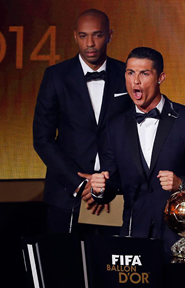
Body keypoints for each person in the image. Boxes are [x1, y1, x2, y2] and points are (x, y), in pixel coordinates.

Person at [90, 47, 185, 255]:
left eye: (144, 73)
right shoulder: (113, 127)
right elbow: (112, 183)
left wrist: (181, 184)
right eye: (130, 72)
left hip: (179, 240)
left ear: (161, 77)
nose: (136, 81)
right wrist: (99, 189)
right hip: (133, 239)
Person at [33, 9, 132, 234]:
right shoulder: (55, 76)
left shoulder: (126, 73)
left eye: (97, 35)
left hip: (116, 191)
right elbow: (42, 139)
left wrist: (109, 181)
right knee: (67, 266)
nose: (90, 43)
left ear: (110, 35)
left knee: (111, 265)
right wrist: (79, 184)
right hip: (67, 193)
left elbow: (135, 134)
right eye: (83, 36)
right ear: (75, 36)